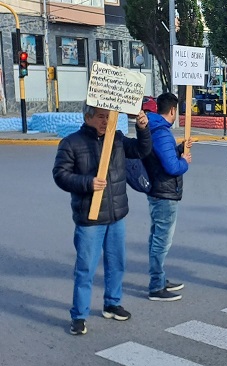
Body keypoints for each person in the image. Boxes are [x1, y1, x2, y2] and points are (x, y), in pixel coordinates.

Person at [53, 103, 152, 335]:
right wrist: (87, 183)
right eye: (100, 117)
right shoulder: (71, 143)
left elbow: (141, 150)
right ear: (87, 117)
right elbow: (61, 175)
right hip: (90, 217)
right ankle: (78, 315)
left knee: (117, 263)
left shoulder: (116, 139)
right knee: (85, 268)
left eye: (108, 117)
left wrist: (142, 127)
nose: (105, 121)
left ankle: (112, 303)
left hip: (116, 214)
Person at [144, 92, 192, 301]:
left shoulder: (155, 128)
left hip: (159, 191)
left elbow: (163, 155)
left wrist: (179, 148)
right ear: (173, 110)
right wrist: (185, 161)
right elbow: (172, 166)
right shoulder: (162, 132)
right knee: (162, 240)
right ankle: (156, 285)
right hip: (164, 192)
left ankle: (160, 278)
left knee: (157, 236)